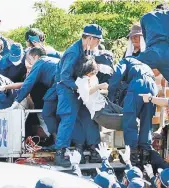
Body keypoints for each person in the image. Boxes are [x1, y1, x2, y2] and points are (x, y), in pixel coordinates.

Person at [54, 24, 103, 167]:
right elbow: (64, 76)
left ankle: (89, 150)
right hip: (67, 89)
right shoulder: (73, 52)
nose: (98, 44)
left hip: (79, 88)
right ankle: (60, 153)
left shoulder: (88, 50)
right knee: (68, 120)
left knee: (88, 117)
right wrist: (81, 89)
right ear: (89, 38)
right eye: (97, 40)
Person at [108, 57, 167, 170]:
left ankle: (132, 156)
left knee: (129, 119)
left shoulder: (124, 61)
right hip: (152, 87)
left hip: (138, 84)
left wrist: (110, 98)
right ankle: (145, 155)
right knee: (146, 121)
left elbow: (116, 77)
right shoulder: (143, 65)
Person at [7, 47, 60, 137]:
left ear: (36, 57)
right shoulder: (54, 60)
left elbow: (28, 84)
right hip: (68, 86)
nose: (30, 63)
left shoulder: (40, 63)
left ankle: (58, 143)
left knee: (47, 113)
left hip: (59, 86)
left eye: (30, 60)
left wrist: (16, 102)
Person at [74, 56, 122, 131]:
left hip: (105, 103)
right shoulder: (80, 81)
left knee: (129, 114)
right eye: (92, 71)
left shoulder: (93, 76)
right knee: (127, 120)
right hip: (99, 113)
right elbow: (86, 93)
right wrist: (99, 86)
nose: (94, 72)